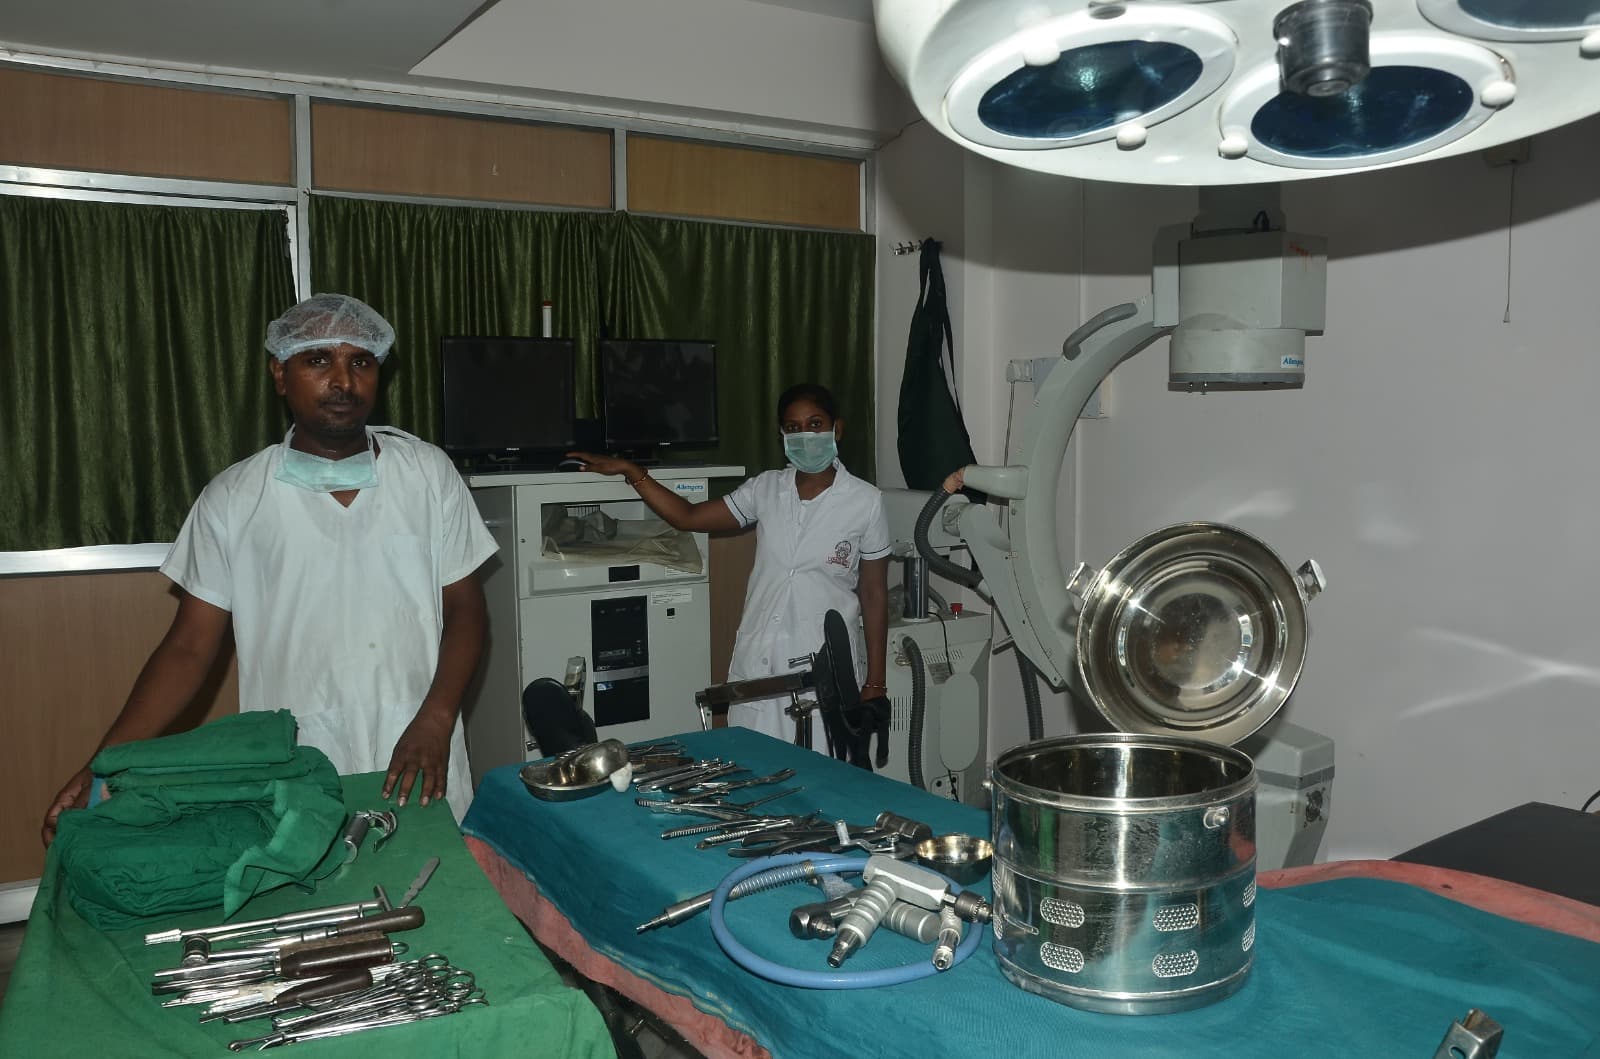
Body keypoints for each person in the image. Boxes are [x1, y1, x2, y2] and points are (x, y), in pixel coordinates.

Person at [41, 294, 497, 842]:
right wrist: (102, 763)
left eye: (361, 361)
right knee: (313, 903)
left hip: (420, 752)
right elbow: (188, 650)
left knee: (442, 899)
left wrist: (437, 719)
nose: (343, 381)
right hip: (296, 758)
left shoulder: (427, 475)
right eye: (318, 360)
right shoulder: (235, 499)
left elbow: (466, 609)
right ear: (280, 373)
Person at [570, 382, 890, 750]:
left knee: (822, 777)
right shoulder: (766, 489)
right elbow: (689, 517)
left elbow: (873, 592)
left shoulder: (865, 501)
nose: (805, 436)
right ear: (782, 435)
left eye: (815, 424)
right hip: (760, 661)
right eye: (793, 427)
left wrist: (876, 683)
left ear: (838, 429)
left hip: (827, 668)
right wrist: (632, 471)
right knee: (755, 766)